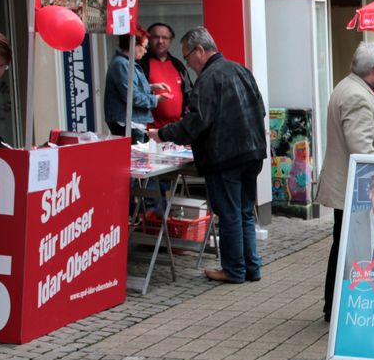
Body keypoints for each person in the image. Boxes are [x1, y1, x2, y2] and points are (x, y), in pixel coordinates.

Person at [147, 27, 268, 285]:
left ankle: (234, 270)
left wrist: (163, 134)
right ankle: (251, 267)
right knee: (245, 211)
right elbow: (260, 109)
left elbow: (195, 122)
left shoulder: (209, 78)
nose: (189, 64)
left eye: (188, 57)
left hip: (226, 156)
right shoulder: (240, 70)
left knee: (230, 213)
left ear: (200, 50)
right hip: (253, 152)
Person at [316, 41, 374, 322]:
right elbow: (362, 150)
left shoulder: (353, 88)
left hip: (352, 188)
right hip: (356, 190)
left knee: (343, 246)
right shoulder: (356, 95)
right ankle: (338, 307)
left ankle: (336, 305)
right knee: (347, 247)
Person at [104, 26, 170, 144]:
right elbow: (132, 96)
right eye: (144, 47)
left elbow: (130, 87)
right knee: (135, 155)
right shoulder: (122, 64)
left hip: (133, 122)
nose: (145, 51)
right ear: (133, 44)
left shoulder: (125, 63)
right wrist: (156, 98)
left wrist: (152, 87)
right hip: (129, 123)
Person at [140, 22, 192, 128]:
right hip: (149, 130)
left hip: (176, 130)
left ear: (170, 41)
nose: (160, 41)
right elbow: (134, 93)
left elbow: (189, 93)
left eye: (164, 37)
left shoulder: (178, 65)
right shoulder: (140, 64)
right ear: (148, 39)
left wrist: (186, 117)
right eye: (156, 37)